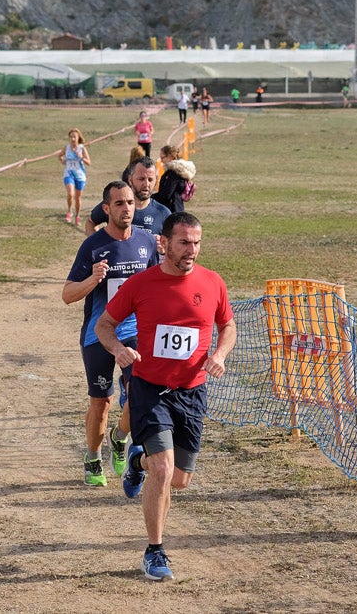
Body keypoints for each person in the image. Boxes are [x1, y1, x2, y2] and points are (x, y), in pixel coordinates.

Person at [95, 211, 237, 582]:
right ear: (164, 243)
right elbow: (104, 325)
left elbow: (228, 325)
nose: (192, 250)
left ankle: (137, 461)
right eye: (184, 242)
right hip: (149, 388)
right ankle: (154, 551)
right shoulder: (142, 284)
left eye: (197, 242)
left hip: (191, 392)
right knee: (164, 469)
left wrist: (219, 355)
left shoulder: (212, 282)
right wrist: (117, 351)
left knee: (179, 479)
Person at [63, 182, 159, 487]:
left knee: (140, 392)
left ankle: (120, 438)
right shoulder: (92, 246)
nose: (126, 208)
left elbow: (160, 283)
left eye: (129, 202)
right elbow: (67, 294)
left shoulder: (146, 242)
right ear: (106, 209)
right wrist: (93, 279)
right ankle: (92, 456)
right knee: (101, 401)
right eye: (118, 203)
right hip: (98, 333)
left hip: (134, 331)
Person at [85, 156, 171, 237]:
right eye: (141, 179)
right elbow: (90, 222)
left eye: (150, 179)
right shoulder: (115, 204)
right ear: (130, 180)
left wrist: (162, 251)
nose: (146, 184)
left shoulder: (163, 213)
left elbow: (170, 246)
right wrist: (98, 247)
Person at [58, 128, 91, 226]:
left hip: (80, 176)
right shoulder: (67, 148)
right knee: (70, 194)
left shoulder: (82, 148)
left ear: (78, 138)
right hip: (69, 174)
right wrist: (62, 160)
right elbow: (60, 156)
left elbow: (89, 162)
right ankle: (69, 211)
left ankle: (77, 215)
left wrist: (81, 157)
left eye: (74, 137)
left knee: (78, 197)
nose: (72, 139)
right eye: (71, 137)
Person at [154, 145, 196, 214]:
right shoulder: (178, 171)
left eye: (162, 157)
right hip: (178, 207)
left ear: (170, 156)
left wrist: (151, 199)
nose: (161, 161)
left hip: (172, 210)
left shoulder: (173, 173)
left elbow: (166, 195)